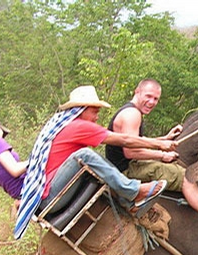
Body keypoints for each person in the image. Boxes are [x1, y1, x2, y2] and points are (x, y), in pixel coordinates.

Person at [14, 85, 177, 239]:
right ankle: (134, 191)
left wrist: (162, 140)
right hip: (52, 198)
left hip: (53, 195)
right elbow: (125, 140)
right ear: (81, 110)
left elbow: (130, 139)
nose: (97, 117)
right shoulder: (79, 126)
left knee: (96, 164)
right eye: (94, 112)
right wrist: (160, 146)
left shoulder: (69, 126)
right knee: (85, 155)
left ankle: (126, 201)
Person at [105, 78, 198, 243]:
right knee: (186, 178)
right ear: (137, 92)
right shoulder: (133, 114)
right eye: (148, 96)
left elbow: (136, 140)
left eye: (155, 99)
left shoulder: (129, 111)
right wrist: (162, 155)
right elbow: (131, 151)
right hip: (128, 169)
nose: (152, 102)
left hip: (128, 165)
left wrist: (164, 139)